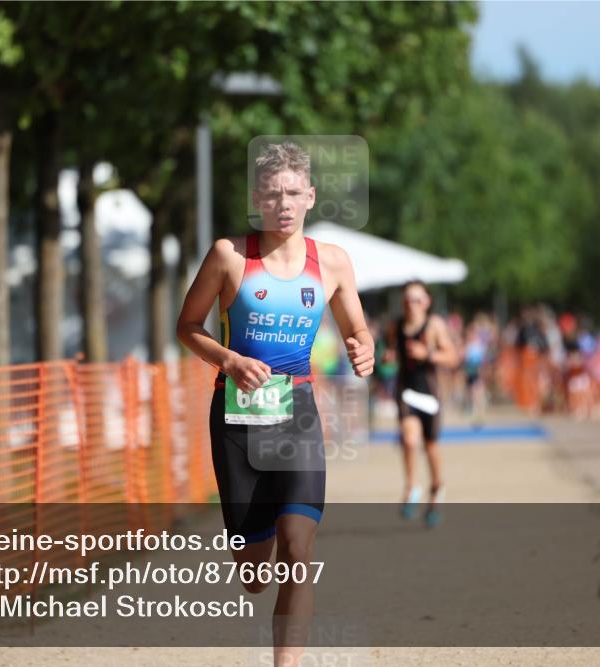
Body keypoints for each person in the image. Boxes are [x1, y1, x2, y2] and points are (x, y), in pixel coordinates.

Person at [175, 142, 374, 665]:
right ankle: (250, 551)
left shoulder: (331, 263)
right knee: (256, 573)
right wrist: (229, 361)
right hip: (239, 420)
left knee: (299, 552)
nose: (283, 203)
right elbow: (187, 327)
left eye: (292, 192)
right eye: (272, 194)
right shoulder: (229, 256)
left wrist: (364, 345)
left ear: (309, 196)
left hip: (299, 413)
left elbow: (357, 326)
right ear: (256, 200)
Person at [383, 280, 459, 526]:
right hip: (406, 391)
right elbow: (390, 350)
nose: (411, 305)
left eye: (417, 300)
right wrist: (389, 356)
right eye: (407, 300)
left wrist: (428, 354)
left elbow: (452, 357)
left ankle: (437, 489)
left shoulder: (434, 325)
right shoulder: (396, 326)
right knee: (409, 439)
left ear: (426, 302)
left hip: (430, 393)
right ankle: (411, 487)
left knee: (431, 447)